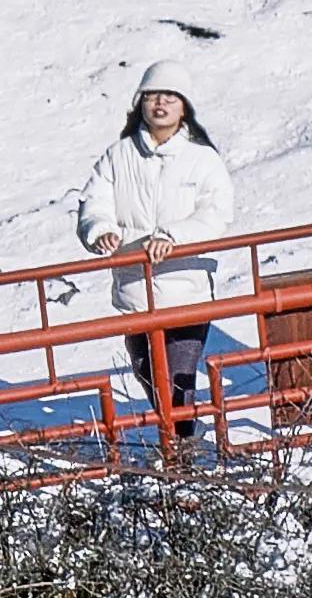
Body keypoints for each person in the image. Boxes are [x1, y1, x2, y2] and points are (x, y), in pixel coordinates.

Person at [76, 70, 234, 446]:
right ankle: (179, 445)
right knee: (147, 371)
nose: (160, 103)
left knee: (179, 380)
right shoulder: (118, 156)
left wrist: (173, 236)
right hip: (135, 292)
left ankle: (183, 454)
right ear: (140, 104)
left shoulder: (202, 159)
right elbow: (94, 203)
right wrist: (100, 230)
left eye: (170, 96)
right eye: (152, 95)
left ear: (184, 107)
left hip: (186, 291)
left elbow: (216, 214)